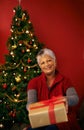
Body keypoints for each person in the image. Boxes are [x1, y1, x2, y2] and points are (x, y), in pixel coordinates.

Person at [26, 48, 81, 130]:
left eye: (49, 60)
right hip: (42, 119)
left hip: (63, 120)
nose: (47, 64)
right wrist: (31, 107)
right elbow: (30, 104)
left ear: (55, 61)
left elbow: (75, 99)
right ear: (40, 66)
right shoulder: (33, 83)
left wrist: (65, 99)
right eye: (43, 63)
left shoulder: (65, 80)